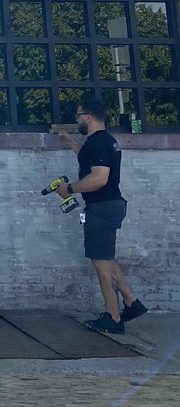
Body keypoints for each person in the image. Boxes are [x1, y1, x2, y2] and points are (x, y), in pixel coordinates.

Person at [57, 95, 147, 334]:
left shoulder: (97, 143)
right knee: (106, 258)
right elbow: (91, 163)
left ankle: (113, 317)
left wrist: (69, 189)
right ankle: (131, 302)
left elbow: (98, 178)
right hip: (110, 205)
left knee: (100, 263)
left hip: (102, 207)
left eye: (78, 116)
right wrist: (72, 144)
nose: (77, 121)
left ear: (88, 116)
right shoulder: (104, 141)